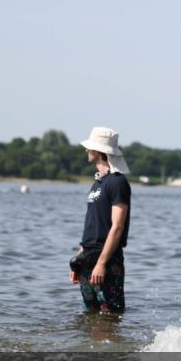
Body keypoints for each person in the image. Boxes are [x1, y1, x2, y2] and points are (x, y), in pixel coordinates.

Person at [69, 127, 132, 313]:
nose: (86, 151)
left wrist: (101, 264)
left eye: (89, 147)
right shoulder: (98, 183)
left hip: (107, 259)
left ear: (98, 151)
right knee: (91, 314)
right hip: (87, 258)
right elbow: (91, 225)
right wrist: (79, 261)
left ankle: (112, 343)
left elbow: (117, 226)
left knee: (110, 314)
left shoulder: (118, 183)